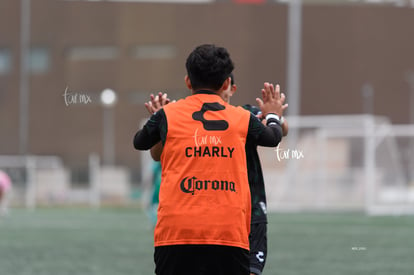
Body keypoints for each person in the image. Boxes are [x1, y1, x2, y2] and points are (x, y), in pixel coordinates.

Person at [133, 44, 287, 275]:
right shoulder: (242, 117)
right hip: (227, 232)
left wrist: (158, 120)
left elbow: (139, 142)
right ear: (226, 84)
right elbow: (273, 137)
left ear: (188, 81)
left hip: (176, 232)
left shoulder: (169, 115)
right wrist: (273, 114)